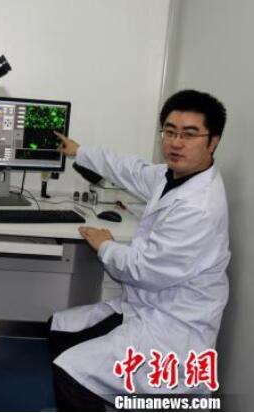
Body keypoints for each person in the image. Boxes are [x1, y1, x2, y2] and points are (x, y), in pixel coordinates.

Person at [47, 90, 230, 410]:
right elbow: (131, 169)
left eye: (189, 135)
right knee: (58, 330)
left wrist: (105, 245)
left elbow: (143, 270)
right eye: (170, 131)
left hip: (172, 330)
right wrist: (81, 152)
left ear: (213, 141)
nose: (175, 143)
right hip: (146, 307)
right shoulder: (172, 176)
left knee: (70, 372)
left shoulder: (199, 207)